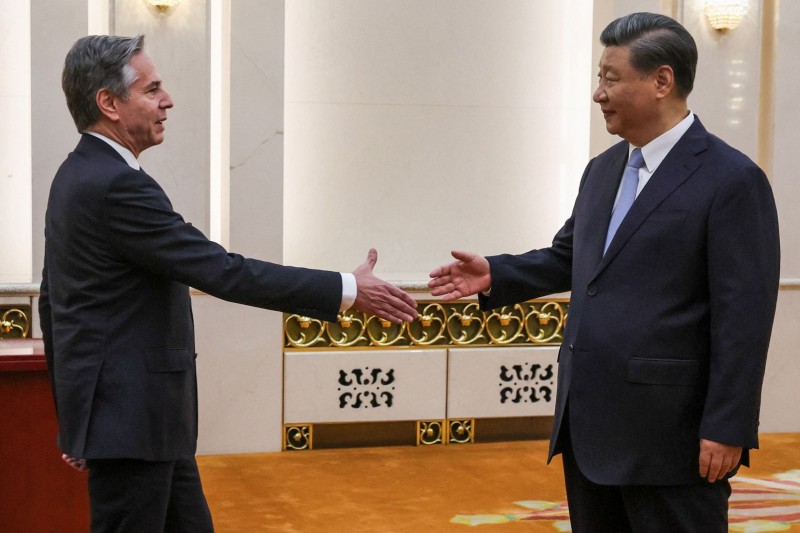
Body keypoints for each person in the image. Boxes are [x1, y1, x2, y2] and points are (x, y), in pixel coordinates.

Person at [39, 34, 418, 532]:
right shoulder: (115, 184)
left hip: (144, 422)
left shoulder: (77, 174)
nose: (168, 100)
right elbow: (222, 270)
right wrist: (346, 289)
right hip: (132, 424)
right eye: (152, 90)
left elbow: (53, 303)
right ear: (108, 103)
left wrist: (77, 418)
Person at [429, 12, 780, 532]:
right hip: (588, 426)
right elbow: (570, 258)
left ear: (662, 81)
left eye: (611, 78)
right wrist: (497, 275)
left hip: (672, 436)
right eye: (600, 77)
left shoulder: (732, 180)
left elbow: (744, 318)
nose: (599, 93)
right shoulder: (604, 169)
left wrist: (728, 425)